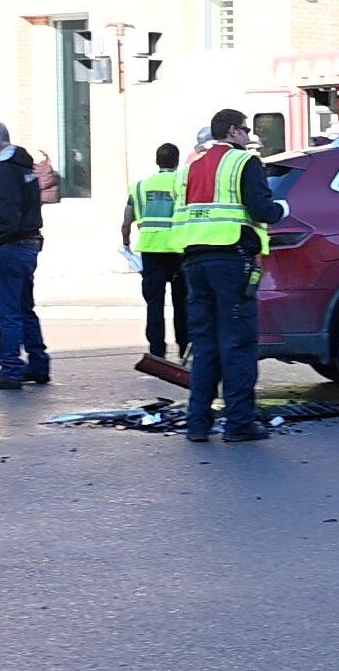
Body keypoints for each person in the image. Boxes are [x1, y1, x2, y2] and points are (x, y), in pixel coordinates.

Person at [175, 108, 286, 443]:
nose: (250, 136)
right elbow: (262, 210)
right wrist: (283, 209)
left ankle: (198, 423)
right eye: (246, 130)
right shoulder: (244, 163)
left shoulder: (191, 166)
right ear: (234, 131)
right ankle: (238, 423)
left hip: (194, 262)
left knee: (205, 343)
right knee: (237, 343)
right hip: (231, 260)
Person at [0, 121, 51, 389]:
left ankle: (10, 368)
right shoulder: (25, 168)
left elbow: (6, 215)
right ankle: (38, 363)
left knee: (7, 311)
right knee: (24, 307)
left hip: (12, 246)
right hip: (28, 244)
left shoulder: (6, 172)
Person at [122, 142, 190, 360]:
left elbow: (126, 221)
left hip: (151, 251)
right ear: (177, 161)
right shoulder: (184, 184)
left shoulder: (140, 186)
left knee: (154, 303)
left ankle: (157, 352)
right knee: (182, 303)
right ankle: (184, 348)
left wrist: (126, 243)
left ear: (157, 161)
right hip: (179, 250)